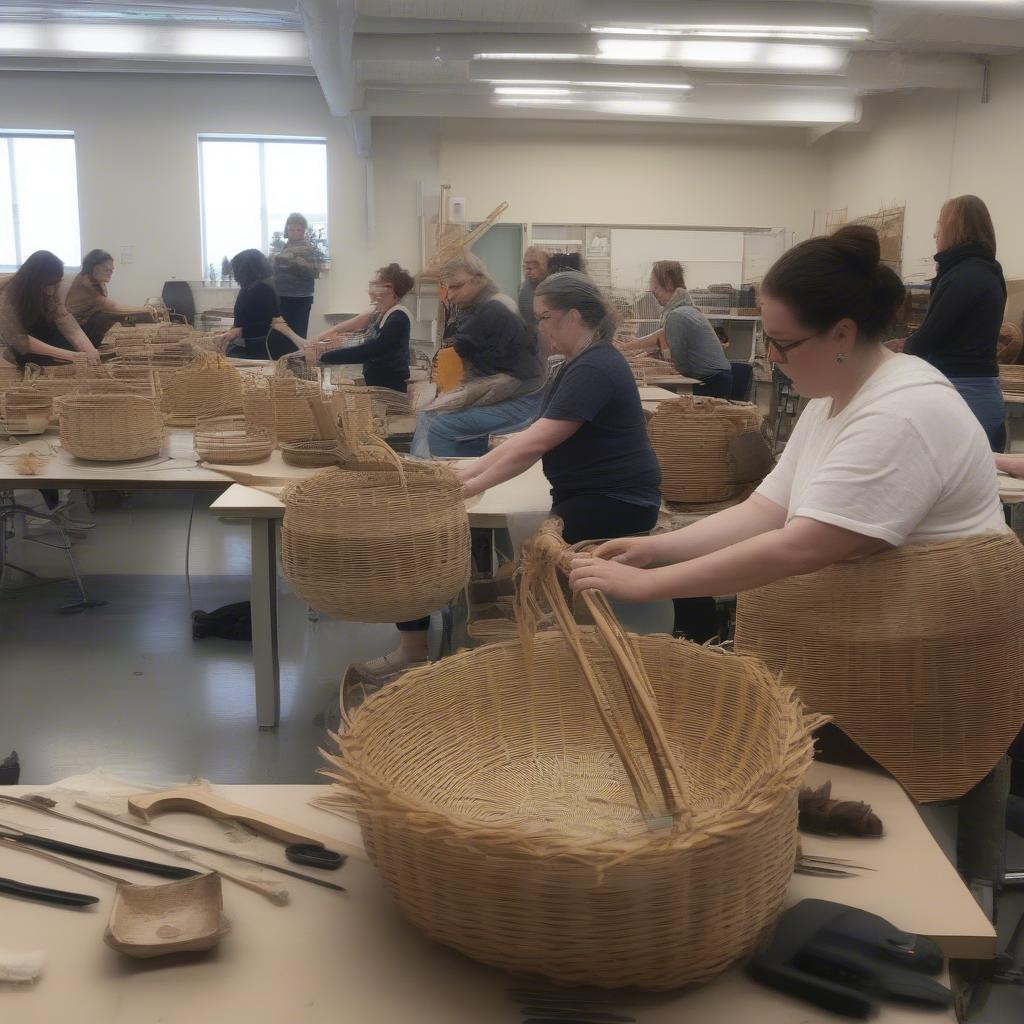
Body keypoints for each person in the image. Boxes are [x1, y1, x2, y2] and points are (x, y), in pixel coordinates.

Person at [569, 226, 1005, 615]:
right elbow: (766, 509)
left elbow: (802, 546)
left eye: (782, 343)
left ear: (842, 334)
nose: (771, 357)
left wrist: (651, 585)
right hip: (881, 627)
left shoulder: (901, 411)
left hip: (932, 644)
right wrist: (657, 549)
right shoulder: (832, 396)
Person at [350, 270, 663, 693]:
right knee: (495, 563)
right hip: (589, 493)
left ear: (573, 316)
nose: (540, 328)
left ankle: (533, 677)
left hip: (614, 500)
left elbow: (533, 443)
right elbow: (528, 441)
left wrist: (460, 484)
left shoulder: (596, 366)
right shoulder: (575, 364)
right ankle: (434, 649)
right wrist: (463, 479)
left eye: (545, 317)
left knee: (524, 575)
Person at [901, 195, 1007, 451]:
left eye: (939, 227)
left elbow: (926, 339)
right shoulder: (985, 269)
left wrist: (894, 351)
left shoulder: (964, 275)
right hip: (974, 392)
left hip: (964, 395)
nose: (935, 235)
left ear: (954, 230)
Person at [412, 253, 544, 458]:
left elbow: (462, 349)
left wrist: (445, 398)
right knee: (431, 411)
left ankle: (434, 478)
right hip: (514, 389)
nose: (450, 295)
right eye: (448, 288)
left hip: (522, 397)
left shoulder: (491, 309)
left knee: (436, 421)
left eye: (456, 287)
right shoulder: (493, 302)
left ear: (478, 280)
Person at [619, 261, 733, 397]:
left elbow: (680, 367)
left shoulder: (677, 315)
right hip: (718, 379)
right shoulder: (685, 310)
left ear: (668, 284)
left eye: (654, 285)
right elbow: (662, 335)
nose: (652, 290)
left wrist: (653, 364)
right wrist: (627, 347)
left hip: (711, 383)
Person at [305, 263, 413, 392]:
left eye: (379, 287)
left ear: (393, 291)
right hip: (377, 383)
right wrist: (324, 346)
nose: (372, 292)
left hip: (390, 387)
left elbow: (372, 349)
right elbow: (361, 339)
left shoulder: (398, 318)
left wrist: (324, 356)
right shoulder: (380, 314)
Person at [0, 250, 100, 367]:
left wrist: (90, 351)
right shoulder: (7, 296)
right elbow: (18, 339)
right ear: (34, 281)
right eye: (48, 284)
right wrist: (71, 356)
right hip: (19, 342)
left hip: (39, 332)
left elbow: (64, 319)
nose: (51, 290)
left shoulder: (52, 286)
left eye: (55, 284)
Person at [65, 249, 156, 345]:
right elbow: (112, 307)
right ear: (93, 267)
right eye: (106, 269)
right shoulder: (85, 284)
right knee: (108, 315)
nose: (110, 272)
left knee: (114, 316)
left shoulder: (97, 281)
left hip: (85, 325)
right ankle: (95, 348)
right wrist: (145, 309)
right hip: (74, 331)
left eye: (111, 269)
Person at [219, 249, 297, 360]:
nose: (235, 274)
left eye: (236, 270)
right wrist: (233, 330)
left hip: (258, 348)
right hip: (245, 343)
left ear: (246, 269)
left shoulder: (264, 289)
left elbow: (268, 324)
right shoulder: (249, 287)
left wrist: (239, 331)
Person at [271, 213, 321, 339]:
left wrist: (304, 264)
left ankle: (297, 359)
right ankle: (281, 359)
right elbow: (274, 270)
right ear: (287, 230)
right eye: (291, 229)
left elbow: (316, 272)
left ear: (303, 231)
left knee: (298, 334)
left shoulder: (310, 249)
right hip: (281, 296)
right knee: (280, 334)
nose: (295, 233)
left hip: (301, 298)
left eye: (298, 229)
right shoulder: (281, 248)